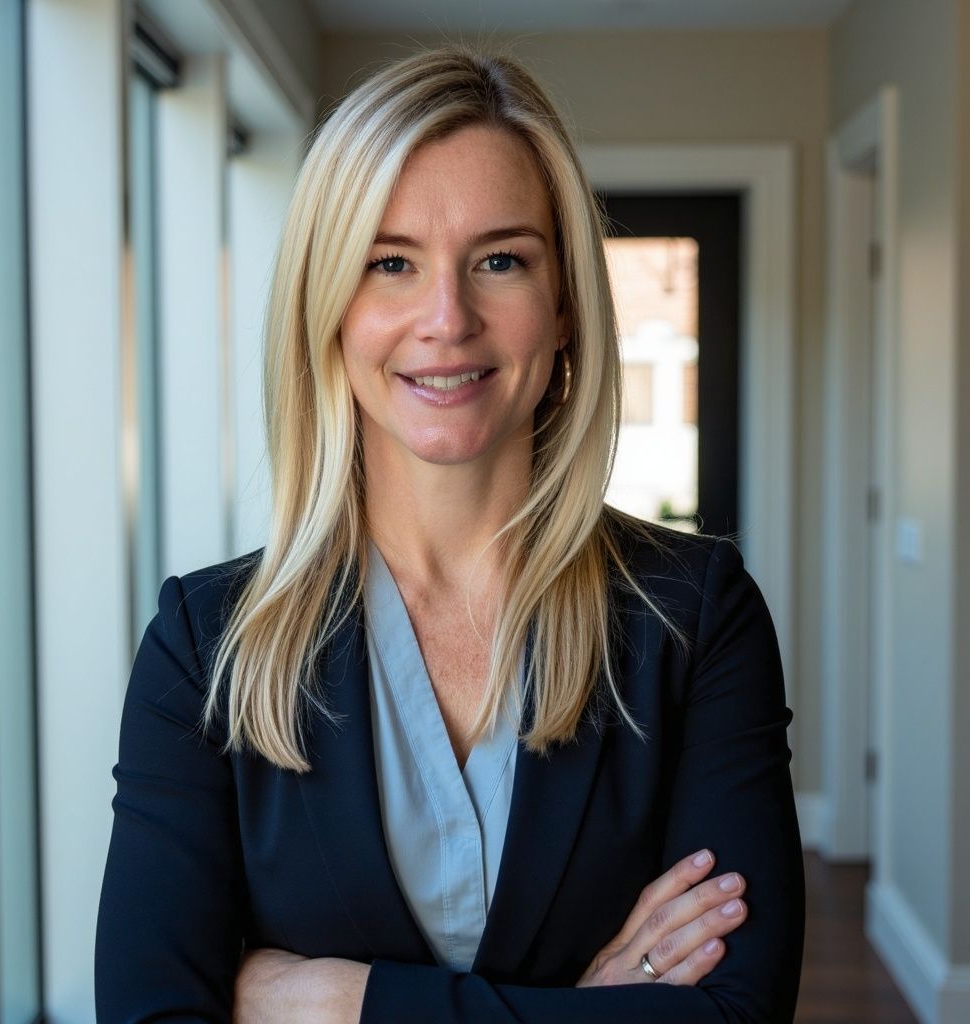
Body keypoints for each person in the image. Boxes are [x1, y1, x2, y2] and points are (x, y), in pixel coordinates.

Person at [96, 46, 804, 1023]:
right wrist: (578, 1007)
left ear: (564, 306)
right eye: (390, 263)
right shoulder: (204, 646)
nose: (446, 318)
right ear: (327, 305)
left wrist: (340, 1001)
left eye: (500, 260)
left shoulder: (695, 617)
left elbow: (735, 1016)